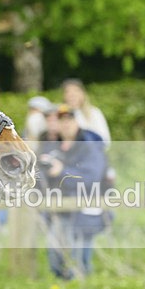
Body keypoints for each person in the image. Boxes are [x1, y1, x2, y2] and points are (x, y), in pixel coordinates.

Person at [39, 105, 107, 279]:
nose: (66, 124)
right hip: (58, 209)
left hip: (83, 211)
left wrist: (61, 171)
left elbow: (92, 177)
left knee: (78, 262)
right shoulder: (53, 145)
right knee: (55, 258)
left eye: (69, 120)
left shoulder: (89, 144)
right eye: (62, 120)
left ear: (77, 121)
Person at [61, 79, 111, 146]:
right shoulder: (60, 114)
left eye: (76, 91)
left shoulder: (94, 112)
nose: (72, 95)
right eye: (68, 92)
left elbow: (105, 140)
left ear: (82, 93)